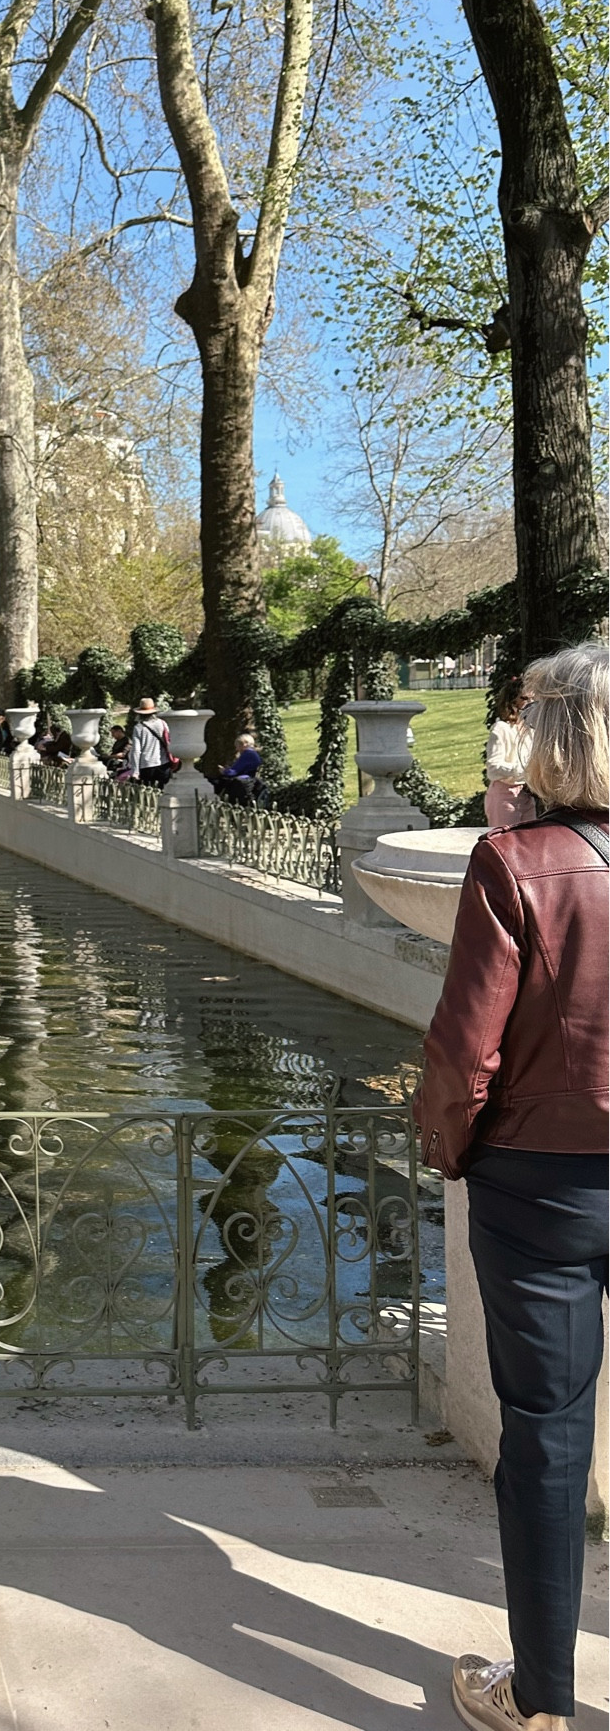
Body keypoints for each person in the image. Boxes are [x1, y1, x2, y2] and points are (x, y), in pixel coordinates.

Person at [413, 641, 608, 1731]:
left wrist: (450, 1147)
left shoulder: (513, 862)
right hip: (548, 1177)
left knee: (546, 1435)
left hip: (539, 1186)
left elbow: (463, 1052)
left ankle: (540, 1703)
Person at [484, 674, 536, 830]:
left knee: (529, 839)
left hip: (526, 795)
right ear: (513, 701)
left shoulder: (530, 730)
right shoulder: (501, 729)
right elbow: (493, 768)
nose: (530, 703)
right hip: (504, 796)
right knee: (505, 840)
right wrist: (522, 770)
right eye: (524, 699)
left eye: (533, 699)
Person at [126, 698, 174, 787]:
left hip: (146, 765)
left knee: (148, 791)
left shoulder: (138, 728)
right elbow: (169, 740)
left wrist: (135, 771)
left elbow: (136, 750)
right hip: (163, 763)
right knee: (164, 791)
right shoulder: (162, 723)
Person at [216, 733, 262, 806]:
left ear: (244, 744)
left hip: (243, 781)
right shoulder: (253, 754)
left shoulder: (248, 754)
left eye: (238, 746)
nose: (237, 749)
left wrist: (224, 771)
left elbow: (234, 771)